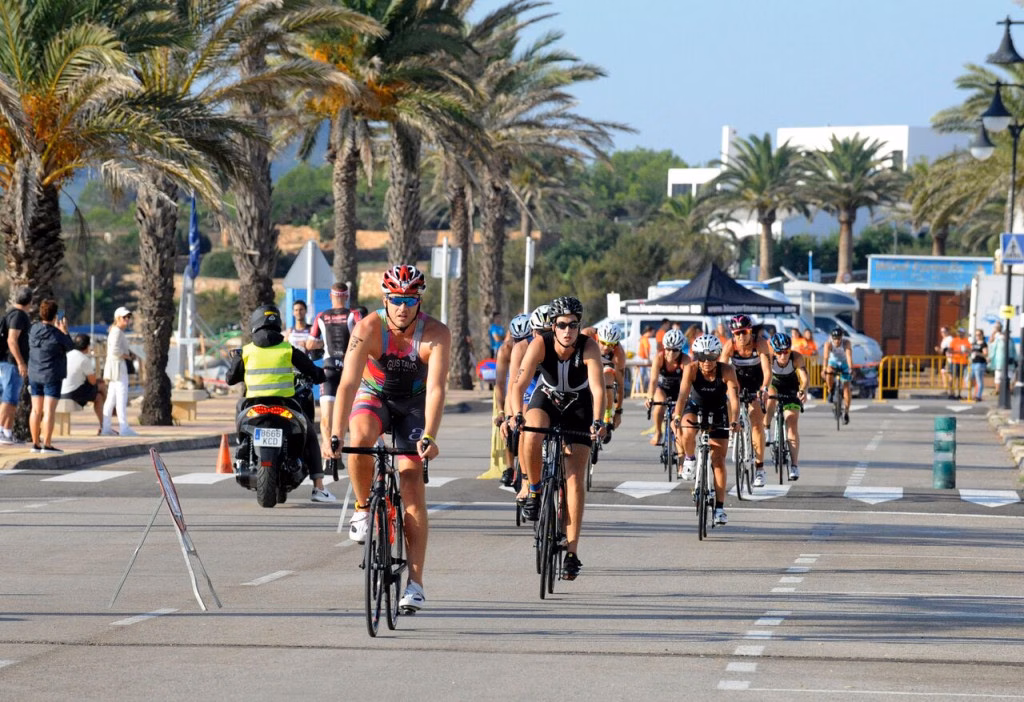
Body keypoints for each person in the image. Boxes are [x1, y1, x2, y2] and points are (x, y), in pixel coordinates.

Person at [324, 265, 451, 613]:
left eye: (410, 300)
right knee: (360, 436)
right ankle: (364, 508)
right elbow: (347, 384)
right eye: (396, 300)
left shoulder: (436, 334)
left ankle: (415, 583)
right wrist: (334, 434)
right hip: (374, 395)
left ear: (419, 301)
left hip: (414, 405)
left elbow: (438, 388)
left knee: (411, 484)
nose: (402, 308)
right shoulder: (368, 328)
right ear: (385, 300)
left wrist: (429, 435)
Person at [507, 296, 604, 581]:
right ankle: (534, 488)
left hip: (579, 406)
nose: (568, 331)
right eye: (562, 325)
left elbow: (598, 389)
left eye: (574, 325)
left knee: (574, 479)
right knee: (531, 430)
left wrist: (599, 421)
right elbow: (519, 384)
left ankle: (572, 552)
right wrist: (515, 414)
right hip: (547, 398)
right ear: (553, 325)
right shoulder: (540, 344)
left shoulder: (588, 347)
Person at [226, 303, 333, 502]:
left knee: (239, 406)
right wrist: (322, 374)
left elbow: (230, 379)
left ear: (255, 324)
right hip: (285, 407)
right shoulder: (287, 350)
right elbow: (314, 372)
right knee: (310, 435)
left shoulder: (247, 351)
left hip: (254, 409)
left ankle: (242, 446)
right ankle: (319, 487)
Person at [671, 334, 740, 525]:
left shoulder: (727, 370)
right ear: (696, 357)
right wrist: (677, 416)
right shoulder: (691, 369)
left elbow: (734, 400)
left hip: (718, 410)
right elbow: (683, 395)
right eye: (702, 357)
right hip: (695, 406)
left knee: (718, 460)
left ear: (717, 356)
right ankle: (690, 459)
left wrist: (735, 420)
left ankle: (719, 508)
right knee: (687, 426)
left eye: (711, 358)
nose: (706, 362)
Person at [721, 314, 772, 487]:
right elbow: (721, 368)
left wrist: (764, 388)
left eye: (744, 332)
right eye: (736, 333)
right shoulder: (730, 345)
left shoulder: (760, 343)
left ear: (750, 331)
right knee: (728, 398)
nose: (741, 337)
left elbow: (767, 371)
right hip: (738, 380)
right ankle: (731, 426)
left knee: (757, 422)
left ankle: (759, 468)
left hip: (756, 381)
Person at [307, 283, 361, 442]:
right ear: (346, 296)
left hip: (329, 368)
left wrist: (323, 344)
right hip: (350, 369)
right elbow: (365, 337)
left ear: (331, 296)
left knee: (326, 418)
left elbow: (310, 344)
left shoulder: (321, 316)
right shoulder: (354, 315)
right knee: (351, 414)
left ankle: (327, 454)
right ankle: (342, 444)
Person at [28, 299, 74, 453]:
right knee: (49, 411)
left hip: (34, 373)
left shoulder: (34, 329)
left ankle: (35, 443)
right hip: (52, 375)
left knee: (35, 410)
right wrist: (64, 330)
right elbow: (70, 346)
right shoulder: (57, 334)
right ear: (55, 316)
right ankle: (47, 444)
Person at [492, 314, 531, 485]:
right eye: (517, 339)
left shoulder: (537, 346)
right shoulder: (505, 350)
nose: (520, 344)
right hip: (511, 385)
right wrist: (502, 412)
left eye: (525, 339)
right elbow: (500, 384)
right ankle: (510, 467)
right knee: (508, 424)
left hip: (532, 383)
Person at [763, 332, 808, 481]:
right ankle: (767, 428)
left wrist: (803, 391)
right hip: (774, 384)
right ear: (774, 352)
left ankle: (794, 465)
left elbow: (804, 378)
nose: (783, 356)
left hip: (790, 388)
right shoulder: (768, 358)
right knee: (770, 399)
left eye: (786, 352)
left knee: (792, 422)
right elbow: (764, 376)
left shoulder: (796, 358)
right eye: (779, 352)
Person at [644, 328, 689, 447]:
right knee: (659, 405)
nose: (671, 353)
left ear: (680, 350)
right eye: (668, 349)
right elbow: (653, 380)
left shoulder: (685, 360)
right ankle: (658, 432)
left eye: (675, 350)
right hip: (663, 388)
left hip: (680, 390)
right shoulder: (659, 358)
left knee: (679, 415)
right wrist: (649, 397)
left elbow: (688, 383)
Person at [0, 286, 32, 444]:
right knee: (8, 398)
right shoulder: (18, 316)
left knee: (12, 399)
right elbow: (12, 340)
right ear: (30, 301)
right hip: (11, 363)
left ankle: (7, 432)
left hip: (10, 363)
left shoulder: (14, 314)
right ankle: (1, 430)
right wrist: (20, 362)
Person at [101, 306, 139, 437]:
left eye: (128, 317)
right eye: (124, 317)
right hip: (118, 367)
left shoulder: (115, 331)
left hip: (115, 366)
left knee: (111, 398)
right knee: (121, 397)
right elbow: (115, 351)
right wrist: (128, 356)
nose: (127, 319)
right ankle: (124, 427)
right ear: (118, 318)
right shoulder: (117, 331)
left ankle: (106, 428)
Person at [60, 333, 108, 433]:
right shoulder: (83, 359)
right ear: (87, 346)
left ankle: (106, 423)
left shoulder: (67, 355)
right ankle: (105, 425)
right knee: (100, 392)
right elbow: (93, 381)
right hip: (73, 393)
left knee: (99, 391)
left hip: (61, 391)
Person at [821, 327, 853, 424]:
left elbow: (848, 356)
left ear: (842, 337)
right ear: (832, 338)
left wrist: (851, 368)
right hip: (833, 363)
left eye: (839, 338)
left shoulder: (846, 343)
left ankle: (846, 412)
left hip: (844, 363)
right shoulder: (828, 344)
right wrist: (824, 369)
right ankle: (830, 390)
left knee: (846, 389)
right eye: (835, 338)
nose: (837, 341)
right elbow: (826, 358)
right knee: (829, 371)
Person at [949, 328, 971, 400]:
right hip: (955, 361)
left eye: (961, 332)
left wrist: (967, 350)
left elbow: (970, 350)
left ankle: (959, 393)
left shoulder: (966, 341)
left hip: (963, 362)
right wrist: (957, 352)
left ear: (963, 333)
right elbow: (950, 350)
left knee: (960, 379)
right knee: (952, 377)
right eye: (959, 332)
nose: (959, 334)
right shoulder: (954, 340)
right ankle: (951, 393)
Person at [969, 329, 989, 402]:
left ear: (982, 335)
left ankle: (978, 396)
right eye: (976, 334)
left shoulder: (983, 344)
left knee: (979, 380)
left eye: (979, 334)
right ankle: (974, 394)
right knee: (970, 378)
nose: (977, 336)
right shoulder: (974, 343)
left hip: (980, 363)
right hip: (973, 362)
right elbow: (971, 351)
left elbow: (985, 354)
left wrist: (978, 353)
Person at [935, 326, 953, 397]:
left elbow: (949, 349)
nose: (942, 333)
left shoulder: (950, 339)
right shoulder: (944, 339)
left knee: (948, 374)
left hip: (949, 359)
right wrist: (938, 350)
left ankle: (950, 390)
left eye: (944, 331)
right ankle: (946, 389)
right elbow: (942, 351)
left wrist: (941, 350)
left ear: (948, 332)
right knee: (943, 373)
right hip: (944, 358)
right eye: (941, 332)